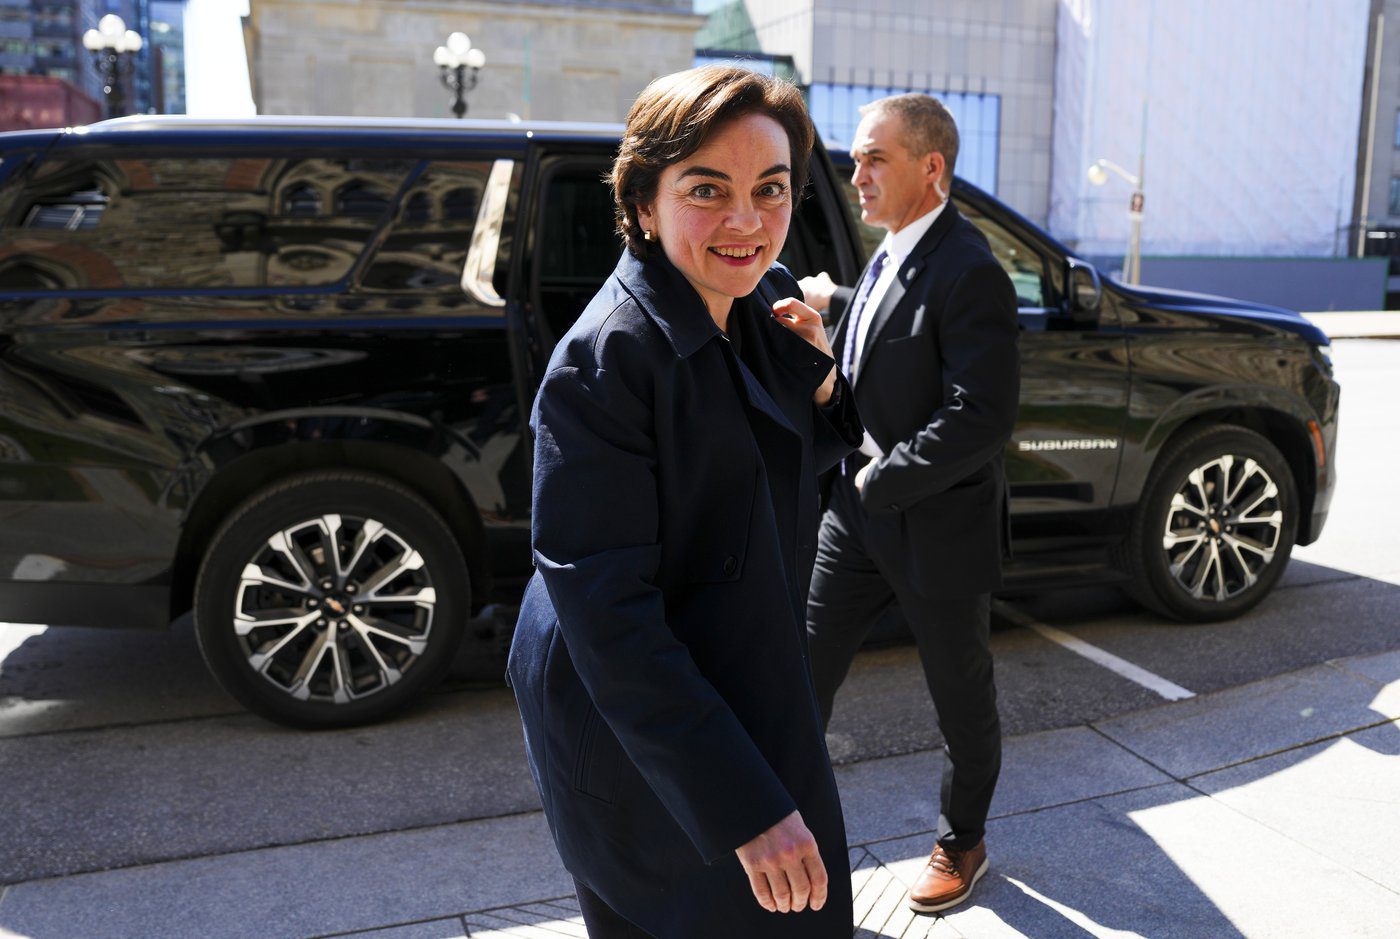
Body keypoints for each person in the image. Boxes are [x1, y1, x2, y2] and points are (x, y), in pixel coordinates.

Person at [506, 65, 862, 938]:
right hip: (639, 730)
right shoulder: (606, 363)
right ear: (642, 203)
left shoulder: (757, 294)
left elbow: (795, 456)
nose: (747, 221)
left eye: (770, 188)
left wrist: (819, 378)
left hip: (736, 665)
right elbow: (610, 618)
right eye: (707, 190)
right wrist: (742, 805)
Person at [799, 93, 1020, 914]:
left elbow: (980, 416)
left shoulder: (972, 270)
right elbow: (881, 344)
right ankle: (783, 831)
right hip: (854, 516)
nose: (856, 174)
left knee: (960, 697)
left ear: (931, 167)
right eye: (855, 157)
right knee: (802, 672)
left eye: (874, 158)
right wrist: (827, 321)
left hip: (933, 520)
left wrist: (881, 479)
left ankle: (964, 839)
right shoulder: (890, 251)